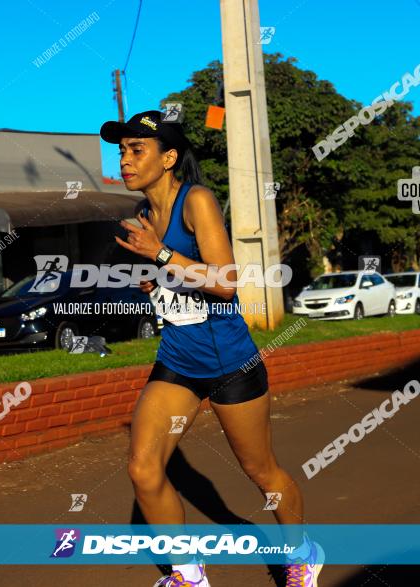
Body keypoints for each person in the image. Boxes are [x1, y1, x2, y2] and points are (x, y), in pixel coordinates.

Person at [101, 110, 323, 587]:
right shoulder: (143, 217)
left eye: (136, 150)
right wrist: (154, 280)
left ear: (169, 158)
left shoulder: (195, 200)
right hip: (178, 360)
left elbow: (225, 284)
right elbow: (177, 275)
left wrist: (159, 256)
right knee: (143, 469)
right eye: (121, 151)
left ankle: (303, 552)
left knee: (260, 472)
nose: (124, 159)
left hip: (228, 361)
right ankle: (188, 573)